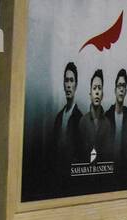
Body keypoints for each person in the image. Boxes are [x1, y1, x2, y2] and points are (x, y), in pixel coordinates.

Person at [46, 62, 83, 191]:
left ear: (76, 85)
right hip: (56, 180)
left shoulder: (80, 119)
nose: (68, 85)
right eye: (66, 81)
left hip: (72, 183)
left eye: (71, 81)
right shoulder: (59, 117)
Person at [105, 69, 127, 189]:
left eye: (123, 86)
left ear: (126, 91)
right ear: (115, 90)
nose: (121, 89)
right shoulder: (106, 116)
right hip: (106, 172)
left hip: (123, 173)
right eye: (119, 86)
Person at [81, 68, 110, 164]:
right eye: (94, 88)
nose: (97, 92)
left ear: (102, 95)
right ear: (90, 94)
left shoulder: (107, 124)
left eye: (99, 88)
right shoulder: (83, 122)